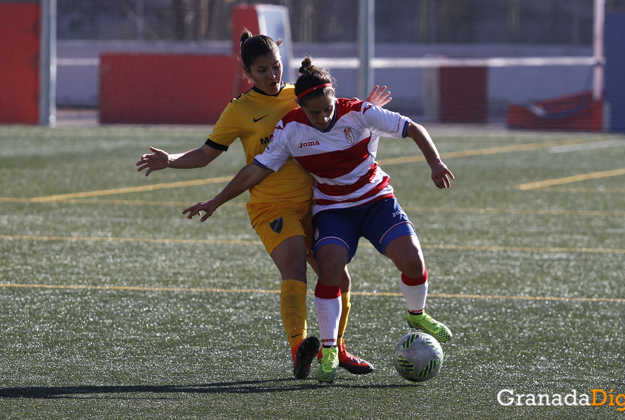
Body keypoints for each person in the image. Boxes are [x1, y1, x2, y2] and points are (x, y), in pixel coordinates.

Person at [183, 57, 454, 384]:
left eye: (327, 109)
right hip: (333, 209)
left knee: (412, 261)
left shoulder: (359, 112)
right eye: (315, 113)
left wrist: (435, 163)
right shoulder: (290, 128)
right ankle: (328, 350)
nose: (324, 117)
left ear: (333, 97)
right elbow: (256, 169)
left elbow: (412, 128)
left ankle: (417, 315)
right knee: (331, 271)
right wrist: (217, 200)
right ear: (299, 105)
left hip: (376, 199)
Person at [137, 32, 391, 380]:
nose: (272, 75)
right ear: (247, 72)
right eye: (262, 70)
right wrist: (171, 160)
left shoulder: (299, 95)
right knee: (294, 272)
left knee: (339, 279)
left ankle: (336, 349)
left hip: (318, 204)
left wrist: (369, 108)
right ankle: (300, 349)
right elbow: (206, 154)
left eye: (275, 66)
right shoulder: (239, 110)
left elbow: (335, 116)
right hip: (272, 206)